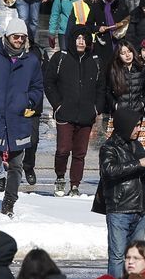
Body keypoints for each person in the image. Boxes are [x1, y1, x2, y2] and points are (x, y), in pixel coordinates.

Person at [0, 18, 44, 217]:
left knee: (16, 165)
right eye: (15, 36)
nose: (19, 40)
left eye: (22, 37)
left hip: (18, 120)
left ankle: (9, 202)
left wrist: (27, 101)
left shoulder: (31, 61)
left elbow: (38, 88)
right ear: (7, 36)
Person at [94, 109, 145, 278]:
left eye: (139, 126)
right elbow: (109, 171)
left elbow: (139, 173)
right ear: (125, 126)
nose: (138, 129)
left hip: (139, 209)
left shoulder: (136, 145)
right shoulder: (109, 148)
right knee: (117, 256)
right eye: (135, 126)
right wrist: (139, 163)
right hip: (120, 209)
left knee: (138, 255)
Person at [44, 32, 104, 197]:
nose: (81, 41)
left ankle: (75, 184)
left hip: (86, 115)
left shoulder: (95, 60)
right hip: (64, 113)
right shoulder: (60, 58)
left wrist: (96, 109)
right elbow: (49, 82)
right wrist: (57, 105)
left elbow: (101, 87)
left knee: (80, 153)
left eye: (84, 38)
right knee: (63, 149)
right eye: (78, 38)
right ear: (72, 40)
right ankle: (60, 177)